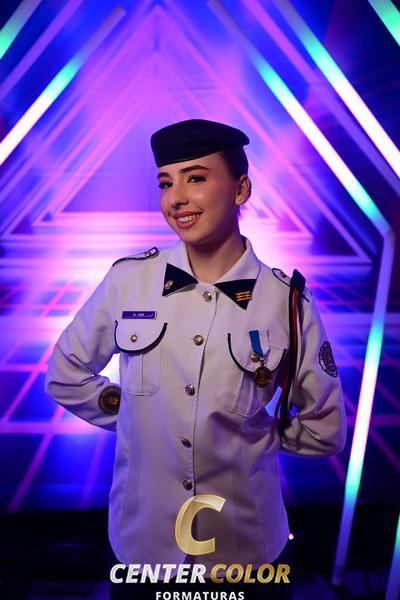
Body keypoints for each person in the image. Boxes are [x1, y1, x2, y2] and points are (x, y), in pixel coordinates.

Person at [45, 119, 346, 599]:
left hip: (246, 552)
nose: (177, 198)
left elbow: (324, 428)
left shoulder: (286, 302)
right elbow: (66, 374)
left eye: (196, 178)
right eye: (166, 183)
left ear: (241, 188)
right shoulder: (129, 281)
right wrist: (140, 418)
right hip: (142, 548)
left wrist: (252, 439)